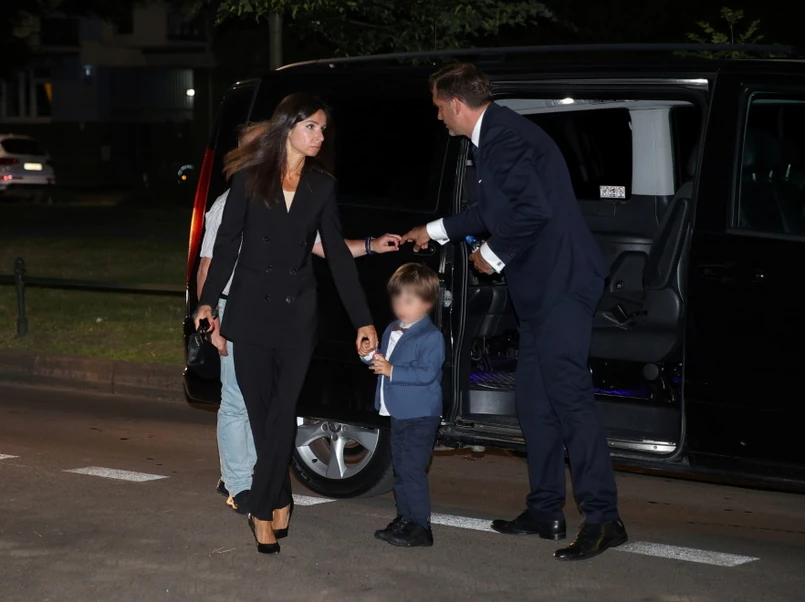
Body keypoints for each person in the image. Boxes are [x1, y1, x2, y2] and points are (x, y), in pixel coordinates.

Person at [402, 63, 627, 561]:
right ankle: (545, 509)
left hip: (561, 284)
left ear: (456, 104)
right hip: (544, 288)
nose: (438, 117)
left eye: (439, 108)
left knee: (570, 401)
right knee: (534, 401)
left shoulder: (505, 138)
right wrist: (433, 230)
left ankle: (604, 518)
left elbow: (533, 210)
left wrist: (493, 253)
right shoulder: (494, 136)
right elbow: (492, 211)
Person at [194, 92, 377, 555]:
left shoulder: (321, 187)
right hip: (249, 315)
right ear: (287, 127)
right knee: (261, 415)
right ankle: (279, 497)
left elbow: (337, 256)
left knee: (283, 411)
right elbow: (226, 248)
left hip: (297, 316)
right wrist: (207, 303)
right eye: (311, 127)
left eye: (322, 129)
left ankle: (261, 509)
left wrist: (363, 320)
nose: (319, 136)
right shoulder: (249, 180)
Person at [198, 179, 401, 515]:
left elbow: (327, 246)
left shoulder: (294, 199)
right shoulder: (231, 201)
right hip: (235, 309)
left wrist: (371, 245)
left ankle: (251, 476)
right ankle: (238, 484)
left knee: (269, 402)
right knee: (237, 399)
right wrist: (213, 325)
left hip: (279, 315)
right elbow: (208, 264)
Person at [358, 263, 445, 548]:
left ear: (428, 302)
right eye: (397, 299)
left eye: (409, 301)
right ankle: (405, 518)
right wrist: (369, 354)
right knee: (401, 468)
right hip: (399, 412)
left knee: (413, 469)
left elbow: (426, 373)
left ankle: (420, 526)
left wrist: (392, 370)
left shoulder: (431, 337)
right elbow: (383, 360)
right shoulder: (392, 329)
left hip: (420, 415)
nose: (400, 306)